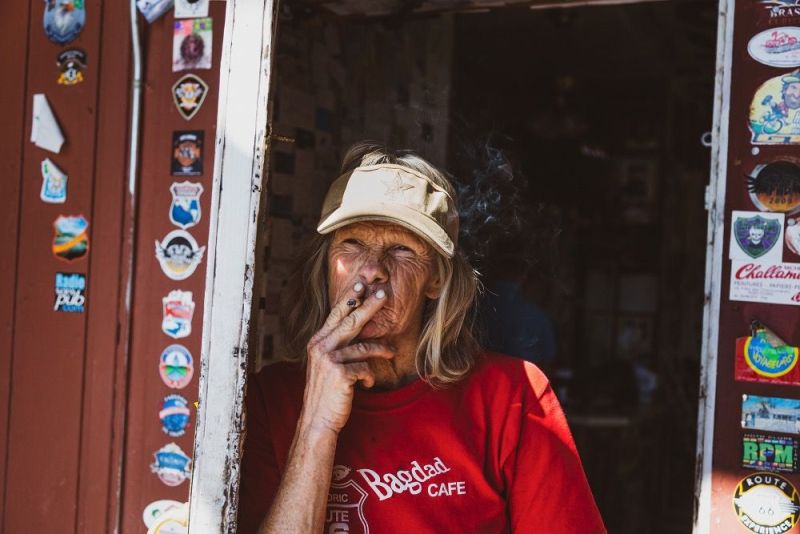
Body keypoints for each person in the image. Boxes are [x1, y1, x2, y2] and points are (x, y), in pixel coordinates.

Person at [237, 142, 605, 533]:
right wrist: (316, 426)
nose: (373, 270)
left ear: (436, 279)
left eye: (401, 249)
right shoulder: (268, 401)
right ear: (327, 265)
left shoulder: (512, 397)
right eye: (353, 243)